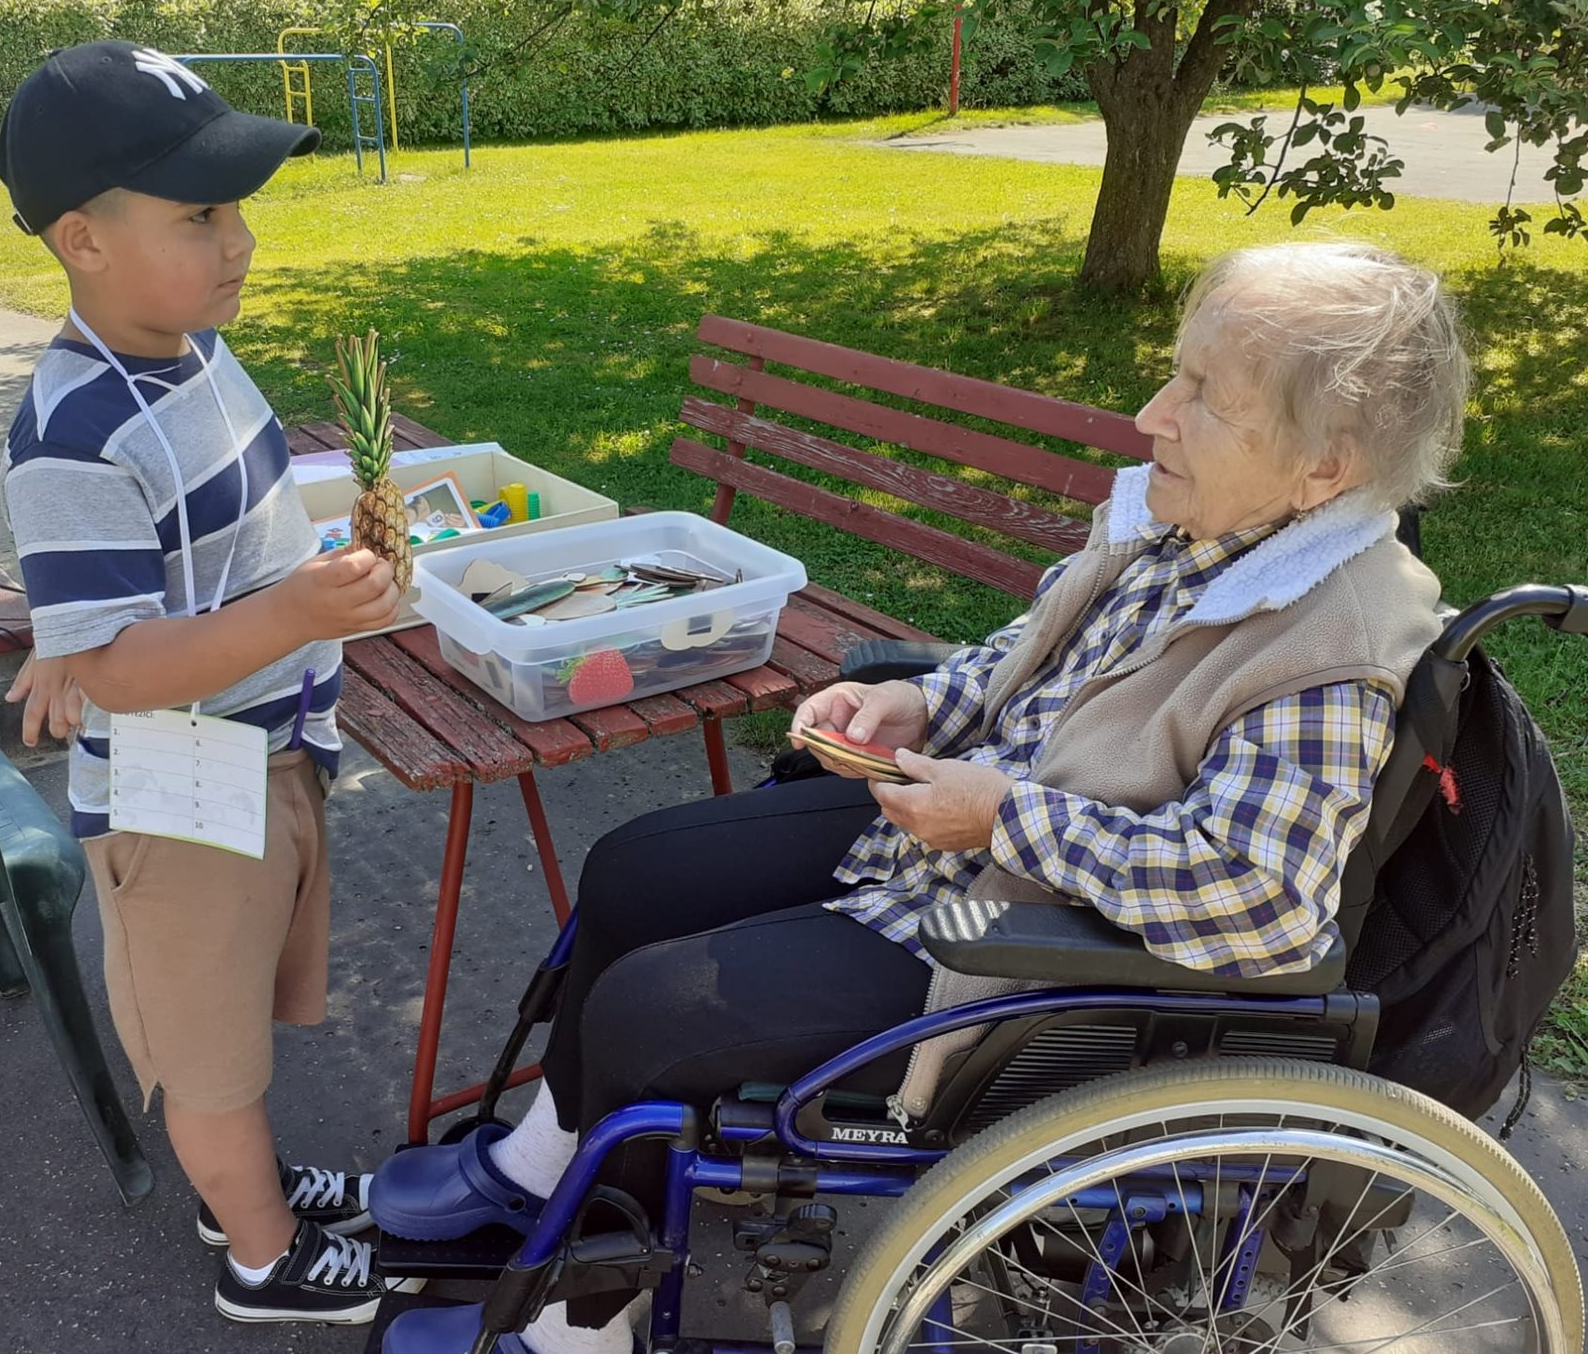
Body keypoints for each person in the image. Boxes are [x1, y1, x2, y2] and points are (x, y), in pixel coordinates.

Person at [352, 241, 1472, 1354]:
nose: (1152, 415)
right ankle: (538, 1173)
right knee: (634, 870)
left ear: (1325, 467)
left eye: (1204, 395)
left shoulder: (1328, 644)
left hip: (1037, 943)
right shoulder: (1206, 523)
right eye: (1175, 374)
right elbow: (1039, 659)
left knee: (656, 1017)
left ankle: (576, 1330)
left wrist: (1002, 816)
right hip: (968, 829)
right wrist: (923, 704)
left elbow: (1266, 900)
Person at [0, 41, 414, 1326]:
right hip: (179, 801)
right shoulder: (72, 429)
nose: (240, 241)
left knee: (233, 1010)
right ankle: (262, 1258)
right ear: (82, 239)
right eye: (199, 215)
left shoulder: (189, 346)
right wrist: (289, 612)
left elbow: (159, 561)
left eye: (236, 208)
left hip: (264, 747)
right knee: (209, 1054)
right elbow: (119, 670)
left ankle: (247, 1189)